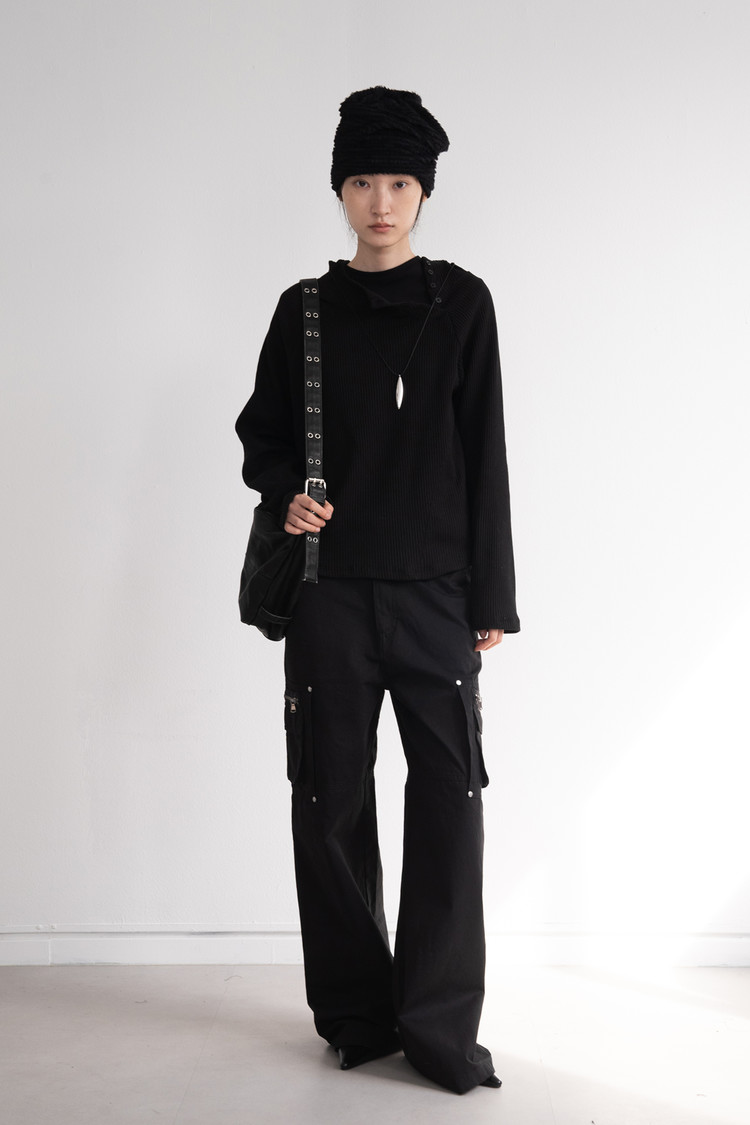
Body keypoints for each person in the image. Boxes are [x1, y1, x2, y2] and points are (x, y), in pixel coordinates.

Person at [235, 86, 520, 1095]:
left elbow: (486, 452)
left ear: (424, 192)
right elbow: (262, 435)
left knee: (449, 804)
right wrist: (288, 494)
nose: (382, 202)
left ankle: (440, 1030)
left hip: (437, 597)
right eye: (363, 181)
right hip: (330, 597)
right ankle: (358, 1016)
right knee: (329, 804)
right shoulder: (304, 311)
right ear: (340, 191)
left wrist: (493, 598)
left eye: (399, 182)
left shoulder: (462, 304)